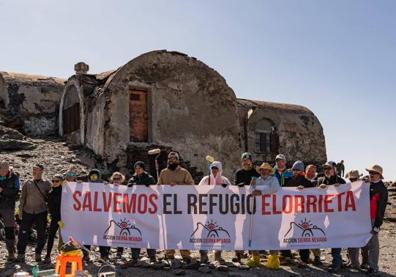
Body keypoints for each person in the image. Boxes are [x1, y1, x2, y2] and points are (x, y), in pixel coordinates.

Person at [158, 152, 194, 263]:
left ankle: (185, 254)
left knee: (184, 230)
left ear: (178, 160)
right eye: (170, 158)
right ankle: (169, 253)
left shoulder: (184, 172)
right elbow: (159, 187)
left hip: (182, 208)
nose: (171, 160)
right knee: (170, 231)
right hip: (169, 208)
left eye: (174, 158)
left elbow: (192, 186)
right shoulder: (163, 173)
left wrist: (178, 185)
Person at [245, 162, 280, 269]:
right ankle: (255, 258)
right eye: (262, 170)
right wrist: (252, 184)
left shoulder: (274, 180)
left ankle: (273, 260)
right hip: (257, 213)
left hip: (271, 214)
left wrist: (261, 193)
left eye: (266, 170)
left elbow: (275, 189)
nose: (263, 171)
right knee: (255, 235)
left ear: (269, 171)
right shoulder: (257, 180)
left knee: (272, 236)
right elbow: (250, 191)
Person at [198, 161, 231, 264]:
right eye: (212, 168)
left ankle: (218, 255)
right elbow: (198, 191)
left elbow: (231, 193)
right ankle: (204, 254)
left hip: (221, 211)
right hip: (208, 211)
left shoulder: (224, 180)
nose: (214, 170)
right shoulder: (206, 179)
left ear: (220, 169)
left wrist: (227, 189)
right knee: (205, 232)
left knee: (220, 232)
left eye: (216, 168)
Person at [17, 164, 51, 263]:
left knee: (41, 234)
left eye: (36, 169)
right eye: (33, 169)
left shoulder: (47, 184)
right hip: (27, 211)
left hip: (41, 212)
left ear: (41, 171)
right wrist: (20, 211)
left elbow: (52, 197)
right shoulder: (28, 183)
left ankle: (38, 253)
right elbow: (22, 198)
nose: (34, 171)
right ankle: (20, 254)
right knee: (23, 233)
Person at [285, 161, 317, 266]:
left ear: (302, 171)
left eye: (297, 170)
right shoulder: (288, 181)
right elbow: (281, 193)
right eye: (294, 170)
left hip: (303, 214)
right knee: (288, 234)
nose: (295, 172)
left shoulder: (307, 183)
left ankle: (304, 258)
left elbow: (313, 195)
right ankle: (286, 255)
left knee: (303, 235)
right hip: (290, 212)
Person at [317, 161, 346, 273]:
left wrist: (341, 189)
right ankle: (336, 261)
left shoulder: (341, 181)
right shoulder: (320, 180)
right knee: (327, 236)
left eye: (329, 168)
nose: (327, 170)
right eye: (325, 168)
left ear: (335, 169)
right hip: (323, 215)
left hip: (336, 216)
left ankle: (336, 263)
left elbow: (349, 196)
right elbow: (312, 193)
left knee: (336, 238)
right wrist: (319, 188)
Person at [126, 163, 157, 265]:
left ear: (143, 169)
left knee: (149, 234)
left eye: (139, 168)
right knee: (135, 234)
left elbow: (155, 191)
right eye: (136, 168)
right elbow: (127, 192)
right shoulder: (132, 179)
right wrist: (130, 187)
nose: (137, 170)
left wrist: (148, 187)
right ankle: (135, 257)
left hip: (148, 212)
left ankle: (152, 257)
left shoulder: (150, 178)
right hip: (137, 213)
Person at [233, 152, 259, 263]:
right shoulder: (239, 173)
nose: (245, 162)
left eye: (247, 160)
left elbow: (261, 184)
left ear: (251, 161)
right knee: (240, 229)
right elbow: (235, 186)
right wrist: (238, 186)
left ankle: (253, 254)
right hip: (242, 205)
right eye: (243, 160)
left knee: (253, 230)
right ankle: (238, 254)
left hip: (254, 206)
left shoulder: (255, 173)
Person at [362, 165, 388, 274]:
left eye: (374, 173)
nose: (371, 175)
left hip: (373, 219)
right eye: (370, 173)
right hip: (362, 218)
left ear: (379, 176)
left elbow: (381, 209)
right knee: (364, 242)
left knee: (373, 244)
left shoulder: (382, 189)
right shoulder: (366, 185)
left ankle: (373, 267)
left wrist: (377, 224)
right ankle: (365, 263)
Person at [273, 154, 293, 260]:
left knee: (287, 226)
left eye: (281, 161)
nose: (279, 163)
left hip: (288, 204)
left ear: (285, 162)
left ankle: (286, 250)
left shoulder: (290, 172)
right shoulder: (271, 172)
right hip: (275, 204)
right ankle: (278, 249)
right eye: (277, 161)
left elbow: (296, 182)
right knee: (276, 226)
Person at [0, 161, 20, 262]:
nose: (3, 172)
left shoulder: (14, 177)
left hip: (8, 206)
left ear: (8, 169)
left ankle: (11, 252)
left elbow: (16, 191)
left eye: (5, 170)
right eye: (1, 170)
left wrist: (3, 190)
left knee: (9, 228)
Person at [303, 164, 322, 265]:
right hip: (302, 213)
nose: (311, 173)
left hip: (315, 213)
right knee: (302, 234)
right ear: (305, 171)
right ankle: (305, 257)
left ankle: (317, 256)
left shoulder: (318, 182)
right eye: (309, 171)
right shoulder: (300, 181)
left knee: (314, 234)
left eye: (313, 171)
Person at [44, 174, 64, 264]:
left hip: (63, 219)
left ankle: (63, 255)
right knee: (51, 236)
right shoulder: (50, 192)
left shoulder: (66, 192)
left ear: (62, 182)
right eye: (53, 181)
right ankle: (48, 255)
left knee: (64, 237)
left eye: (57, 181)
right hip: (55, 219)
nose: (54, 183)